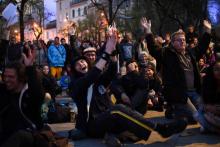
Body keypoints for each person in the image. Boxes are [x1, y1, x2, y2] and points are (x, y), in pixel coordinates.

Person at [68, 27, 187, 146]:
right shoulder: (76, 84)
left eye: (82, 61)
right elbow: (91, 76)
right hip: (91, 124)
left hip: (107, 117)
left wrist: (114, 51)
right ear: (74, 70)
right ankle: (161, 129)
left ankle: (113, 136)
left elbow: (110, 73)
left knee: (128, 117)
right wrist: (106, 52)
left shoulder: (97, 80)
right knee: (118, 110)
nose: (81, 64)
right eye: (77, 64)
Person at [141, 18, 212, 123]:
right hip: (180, 93)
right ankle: (172, 110)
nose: (182, 41)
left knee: (207, 112)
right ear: (173, 43)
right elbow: (153, 48)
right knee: (194, 117)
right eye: (179, 40)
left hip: (194, 92)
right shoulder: (167, 53)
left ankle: (179, 109)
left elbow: (202, 47)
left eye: (183, 39)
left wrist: (208, 31)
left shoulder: (190, 52)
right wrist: (148, 31)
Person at [0, 48, 44, 146]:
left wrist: (29, 68)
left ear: (21, 77)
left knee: (20, 136)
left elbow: (38, 94)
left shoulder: (29, 94)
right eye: (5, 76)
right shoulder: (4, 91)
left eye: (11, 77)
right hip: (6, 136)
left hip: (28, 136)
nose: (6, 80)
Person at [195, 55, 220, 134]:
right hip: (211, 114)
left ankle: (211, 128)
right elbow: (202, 102)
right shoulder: (208, 83)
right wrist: (208, 107)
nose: (219, 72)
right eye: (216, 69)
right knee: (198, 115)